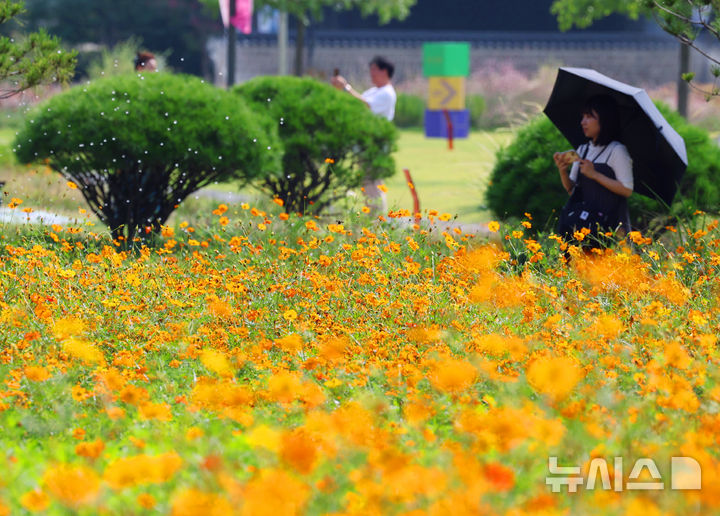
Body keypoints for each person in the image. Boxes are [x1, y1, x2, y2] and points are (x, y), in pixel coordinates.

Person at [553, 95, 633, 244]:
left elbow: (627, 189)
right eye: (583, 116)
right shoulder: (583, 149)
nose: (583, 122)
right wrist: (562, 170)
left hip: (611, 228)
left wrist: (594, 174)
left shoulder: (617, 151)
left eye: (589, 117)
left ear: (604, 120)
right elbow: (572, 190)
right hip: (583, 226)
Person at [331, 56, 397, 214]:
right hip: (365, 144)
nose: (371, 73)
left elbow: (365, 106)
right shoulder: (374, 91)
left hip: (375, 146)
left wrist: (346, 88)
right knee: (367, 184)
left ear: (384, 71)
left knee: (373, 183)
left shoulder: (387, 93)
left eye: (374, 69)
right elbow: (357, 104)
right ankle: (373, 219)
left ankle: (378, 222)